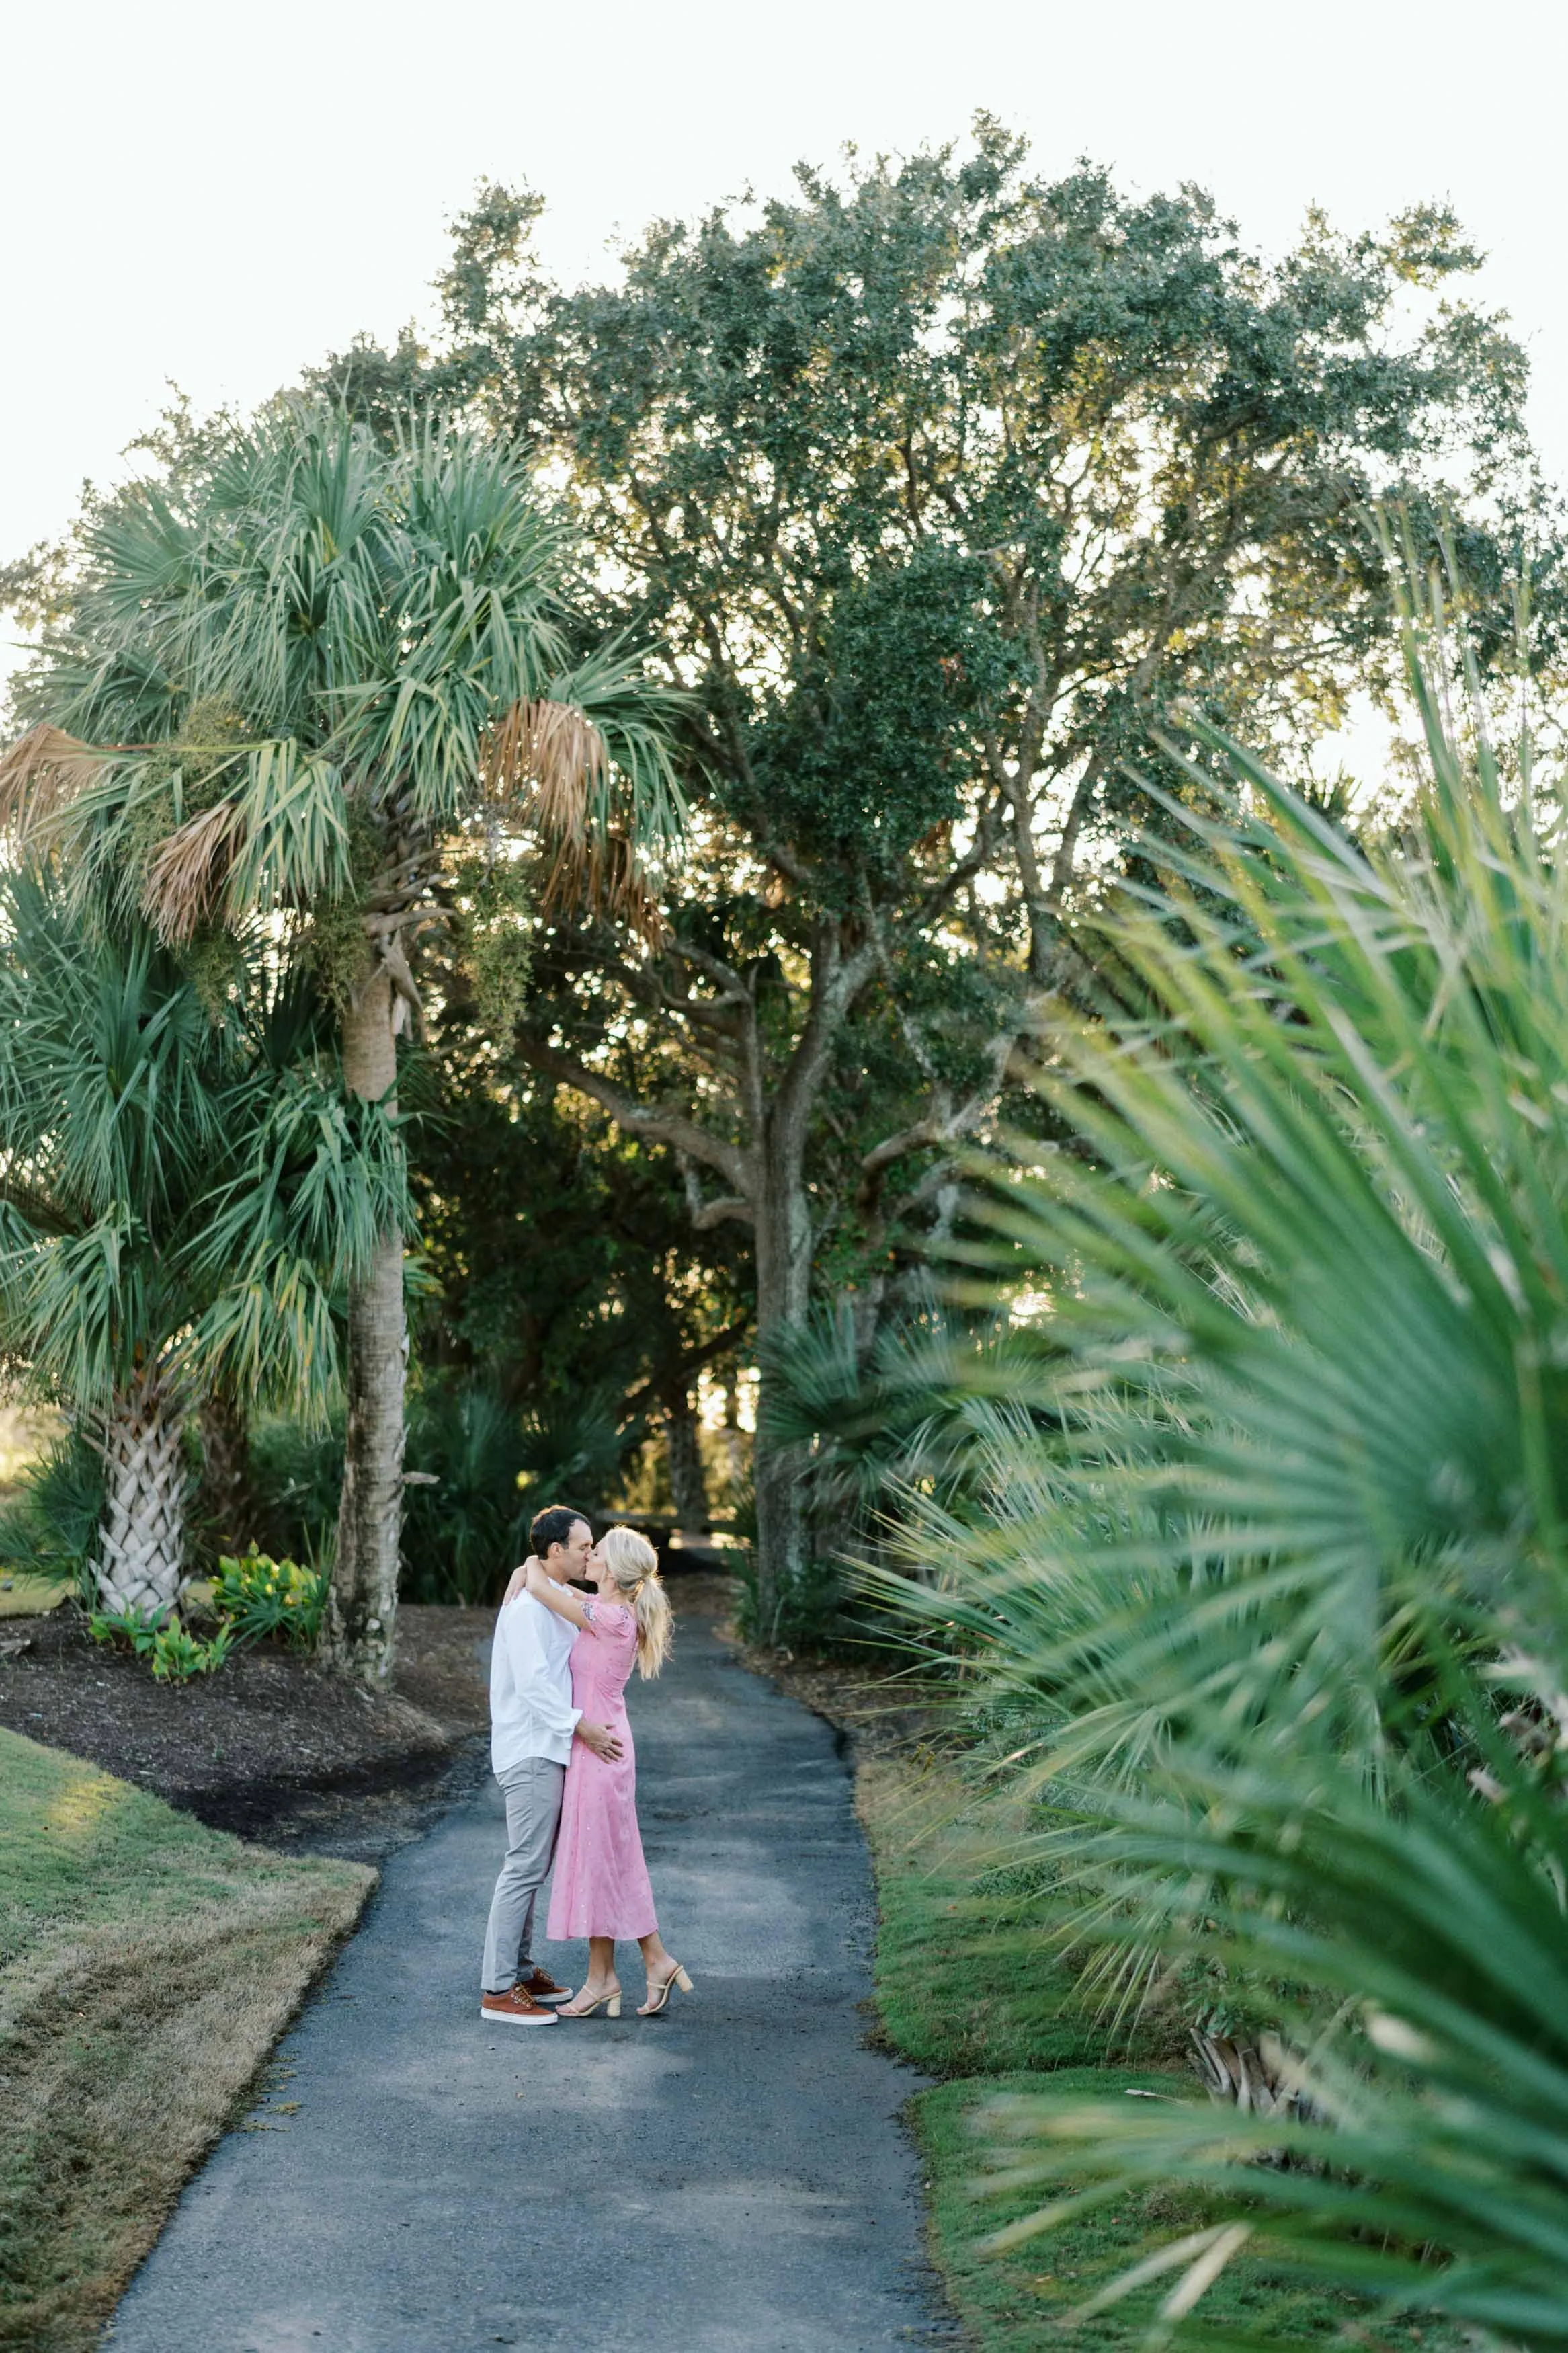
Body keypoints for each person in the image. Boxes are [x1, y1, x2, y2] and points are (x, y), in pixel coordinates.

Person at [521, 1525, 694, 2020]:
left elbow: (542, 1587)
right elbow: (564, 1590)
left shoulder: (612, 1618)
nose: (589, 1557)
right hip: (595, 1745)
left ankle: (619, 1973)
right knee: (602, 1859)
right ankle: (625, 1970)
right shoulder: (609, 1611)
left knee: (604, 1859)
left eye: (596, 1553)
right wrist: (540, 1575)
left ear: (614, 1572)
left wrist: (529, 1566)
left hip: (602, 1749)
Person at [479, 1505, 625, 2026]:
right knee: (524, 1866)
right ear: (557, 1550)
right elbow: (533, 1686)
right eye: (585, 1546)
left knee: (532, 1866)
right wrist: (580, 1725)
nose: (592, 1553)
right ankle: (497, 1988)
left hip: (550, 1747)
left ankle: (518, 1971)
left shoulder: (552, 1596)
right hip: (532, 1749)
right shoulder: (525, 1609)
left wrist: (529, 1566)